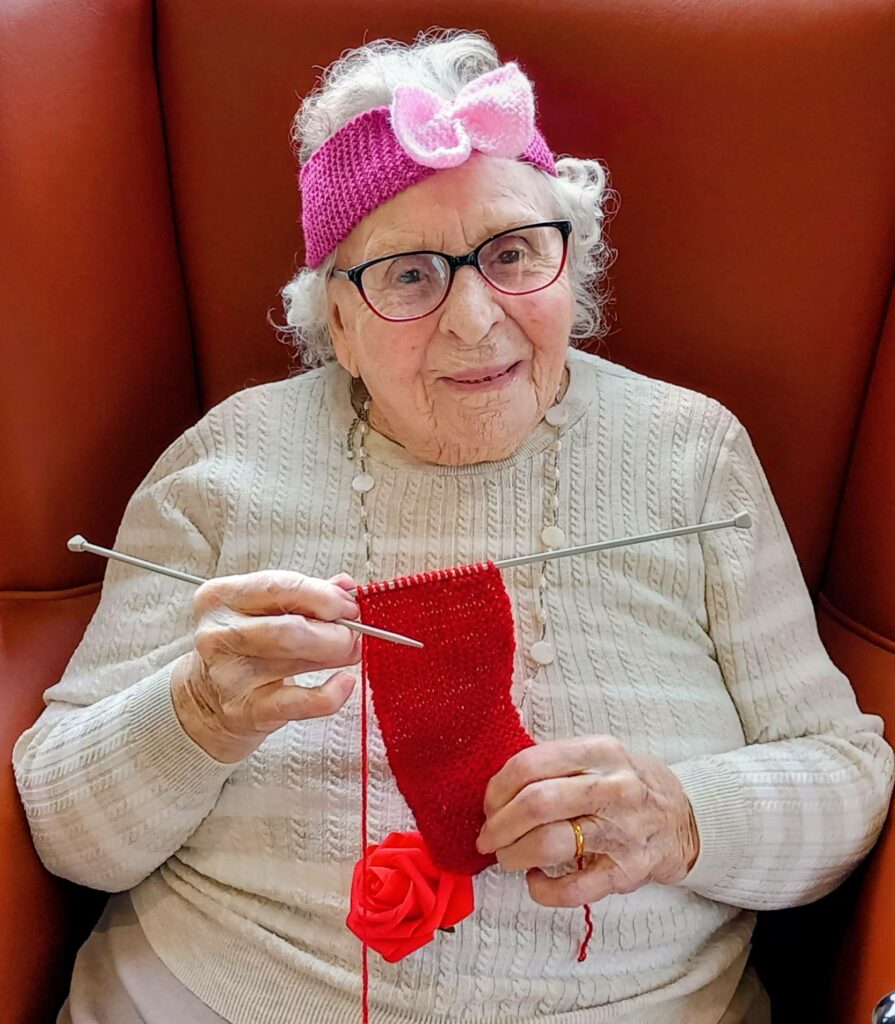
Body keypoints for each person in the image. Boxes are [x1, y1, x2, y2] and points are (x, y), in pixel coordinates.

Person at [13, 28, 893, 1024]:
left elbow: (844, 781)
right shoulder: (226, 463)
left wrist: (682, 819)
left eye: (514, 253)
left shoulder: (692, 454)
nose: (476, 319)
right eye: (410, 275)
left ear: (574, 266)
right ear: (334, 325)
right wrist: (195, 714)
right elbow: (68, 829)